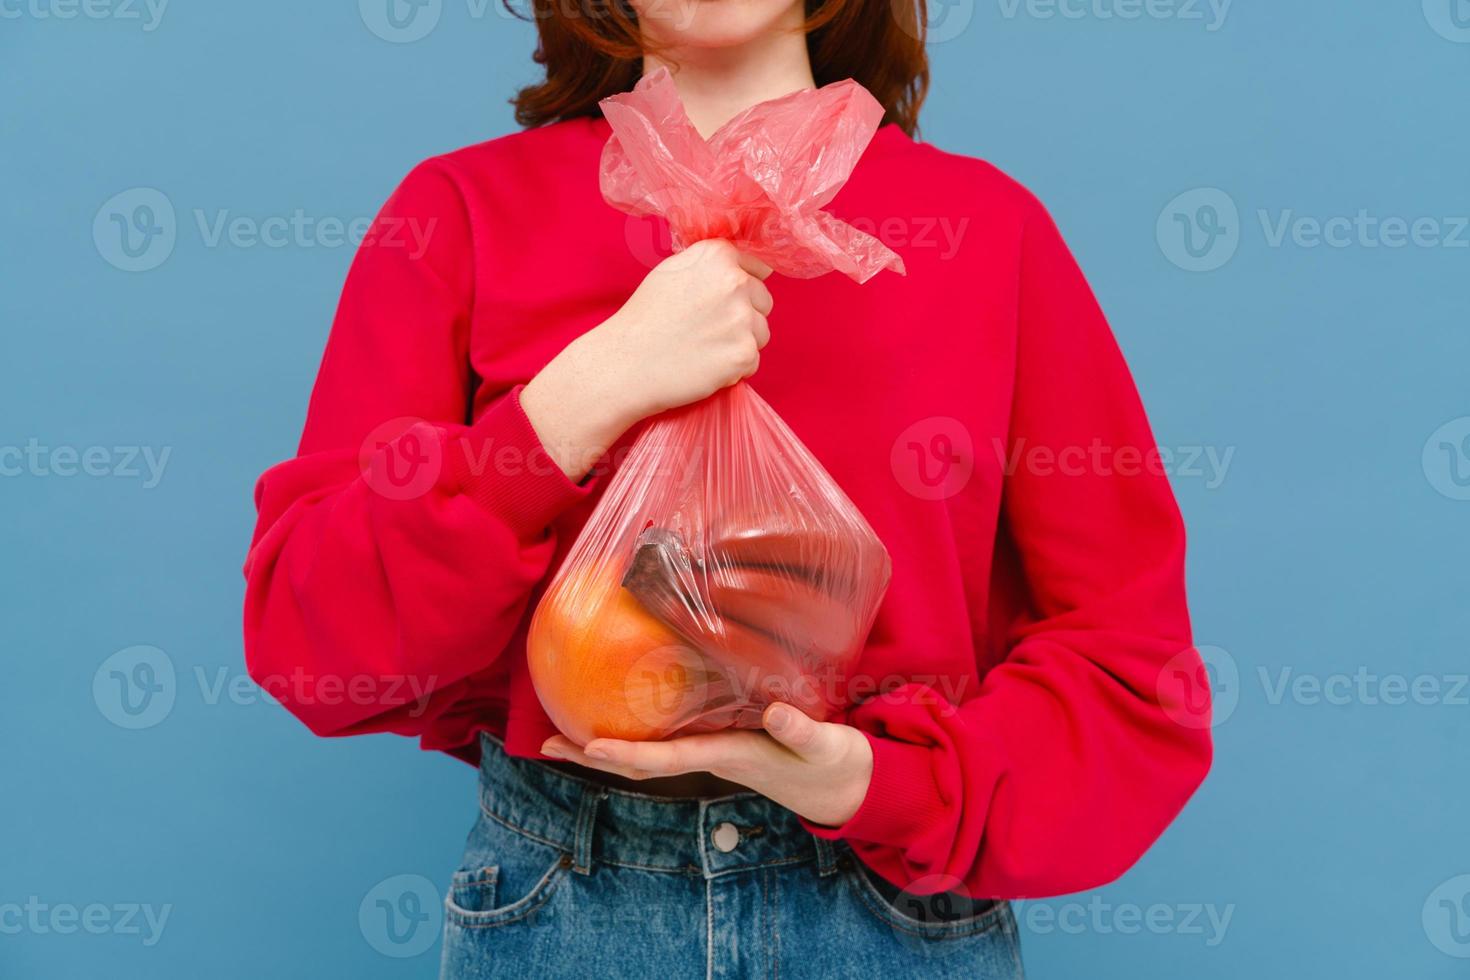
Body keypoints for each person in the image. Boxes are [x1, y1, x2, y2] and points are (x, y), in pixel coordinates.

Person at [242, 0, 1213, 974]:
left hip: (886, 916)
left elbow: (1132, 677)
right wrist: (575, 402)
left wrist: (891, 784)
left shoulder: (989, 233)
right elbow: (311, 639)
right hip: (565, 906)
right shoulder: (460, 211)